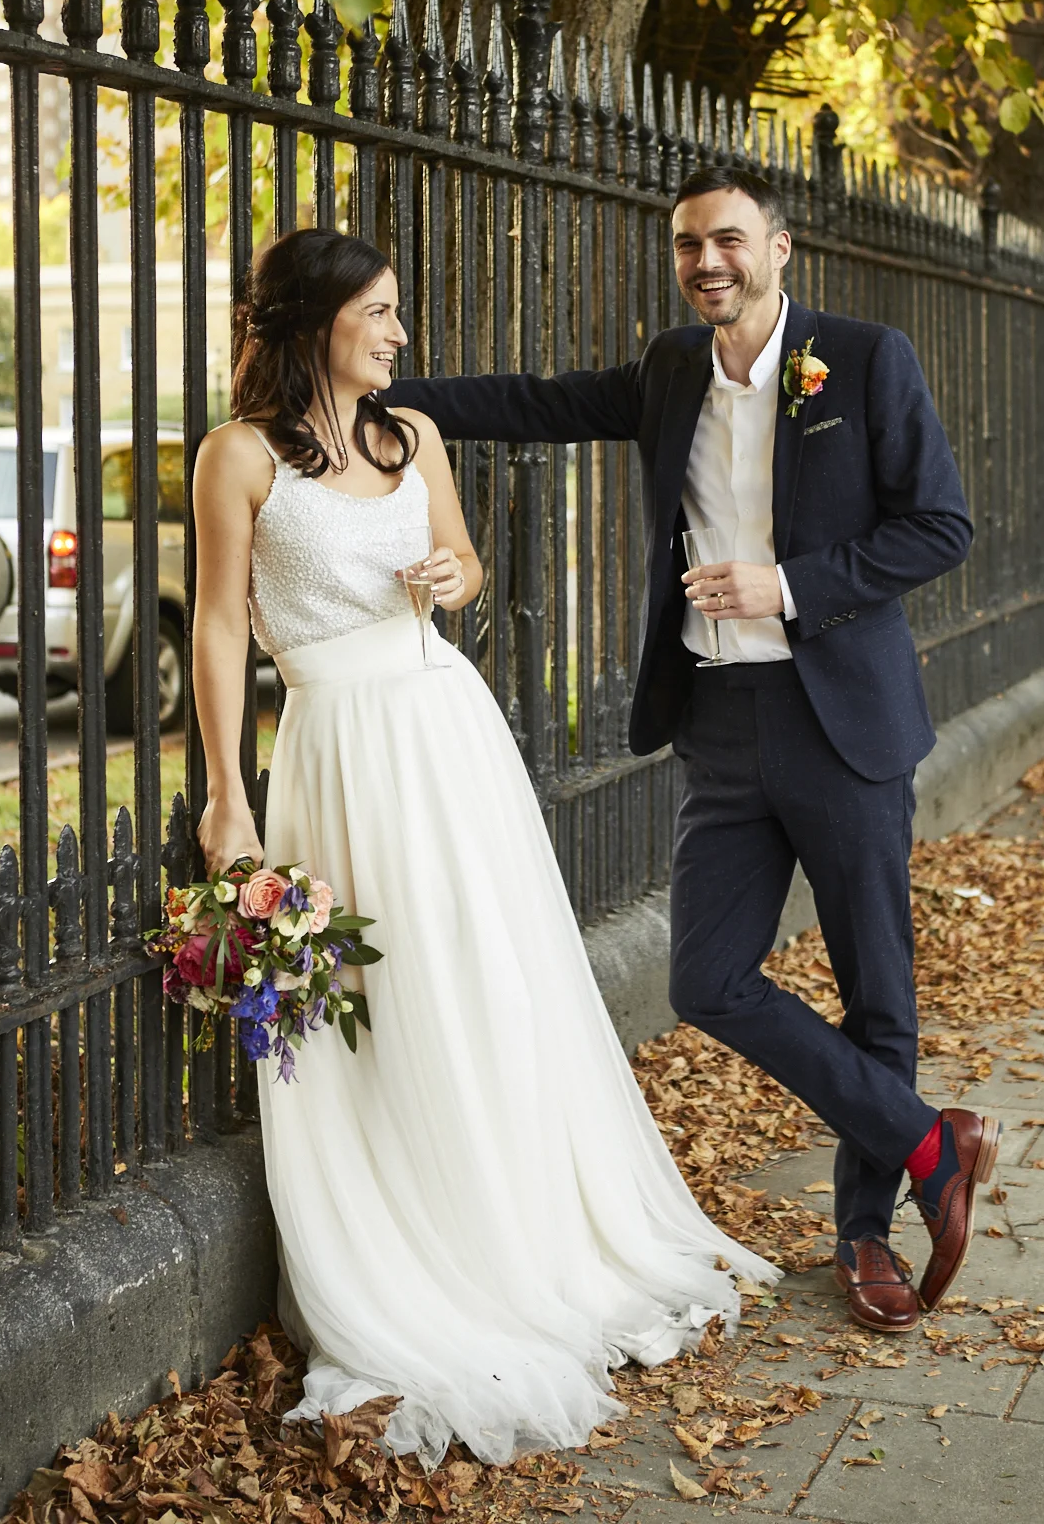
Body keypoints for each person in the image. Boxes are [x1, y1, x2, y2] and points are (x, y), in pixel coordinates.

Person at [190, 226, 777, 1471]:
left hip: (445, 731)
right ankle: (419, 1240)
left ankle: (524, 1228)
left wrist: (452, 573)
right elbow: (219, 622)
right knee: (386, 993)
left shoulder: (414, 438)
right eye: (381, 312)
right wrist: (225, 797)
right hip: (339, 745)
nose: (400, 333)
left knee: (482, 976)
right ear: (314, 319)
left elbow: (452, 567)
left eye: (400, 313)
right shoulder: (238, 457)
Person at [388, 163, 1000, 1336]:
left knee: (878, 990)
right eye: (685, 246)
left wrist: (788, 585)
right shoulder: (673, 368)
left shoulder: (865, 359)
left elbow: (940, 525)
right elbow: (539, 402)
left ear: (779, 247)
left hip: (842, 720)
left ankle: (863, 1233)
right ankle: (933, 1140)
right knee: (704, 979)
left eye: (726, 240)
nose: (704, 261)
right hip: (718, 719)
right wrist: (372, 391)